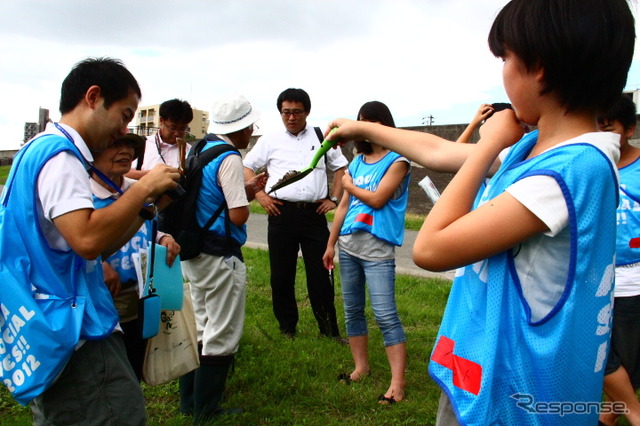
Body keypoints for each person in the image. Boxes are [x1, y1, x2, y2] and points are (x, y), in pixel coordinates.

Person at [325, 0, 635, 424]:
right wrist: (363, 128)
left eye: (506, 57)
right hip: (488, 374)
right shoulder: (538, 150)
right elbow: (439, 150)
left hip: (510, 396)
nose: (503, 69)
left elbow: (431, 248)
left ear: (539, 66)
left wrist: (489, 144)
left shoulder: (568, 173)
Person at [0, 57, 180, 425]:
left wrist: (145, 208)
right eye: (124, 114)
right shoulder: (62, 156)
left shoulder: (36, 151)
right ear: (94, 97)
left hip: (49, 324)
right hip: (77, 332)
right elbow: (86, 238)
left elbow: (95, 246)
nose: (123, 129)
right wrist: (144, 186)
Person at [179, 94, 267, 423]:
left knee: (201, 325)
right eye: (250, 127)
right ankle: (207, 409)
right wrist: (246, 195)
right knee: (222, 332)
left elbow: (208, 196)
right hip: (219, 255)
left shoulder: (200, 149)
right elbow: (239, 216)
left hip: (194, 250)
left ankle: (189, 402)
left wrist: (240, 190)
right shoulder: (229, 157)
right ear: (242, 127)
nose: (252, 132)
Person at [322, 101, 410, 405]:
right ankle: (361, 367)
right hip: (348, 247)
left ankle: (397, 383)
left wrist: (347, 183)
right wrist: (331, 243)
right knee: (353, 310)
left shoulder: (398, 161)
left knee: (386, 315)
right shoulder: (357, 161)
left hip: (377, 250)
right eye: (360, 121)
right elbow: (343, 207)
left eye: (369, 121)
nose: (364, 127)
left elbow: (376, 199)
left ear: (383, 124)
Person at [243, 88, 348, 341]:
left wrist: (333, 199)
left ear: (307, 112)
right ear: (280, 113)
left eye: (297, 112)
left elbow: (341, 167)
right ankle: (287, 328)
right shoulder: (270, 140)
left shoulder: (322, 137)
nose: (291, 117)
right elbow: (247, 166)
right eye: (286, 112)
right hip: (281, 213)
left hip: (313, 214)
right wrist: (260, 195)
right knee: (281, 274)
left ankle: (328, 330)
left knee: (321, 274)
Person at [90, 133, 181, 380]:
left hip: (139, 292)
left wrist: (162, 237)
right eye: (115, 145)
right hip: (103, 298)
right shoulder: (83, 196)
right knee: (106, 366)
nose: (126, 152)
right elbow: (72, 241)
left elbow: (142, 225)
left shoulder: (135, 191)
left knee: (134, 361)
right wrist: (97, 262)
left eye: (130, 146)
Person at [597, 95, 640, 426]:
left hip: (631, 281)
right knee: (603, 357)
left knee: (619, 360)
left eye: (609, 128)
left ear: (630, 129)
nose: (603, 134)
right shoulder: (593, 164)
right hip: (593, 277)